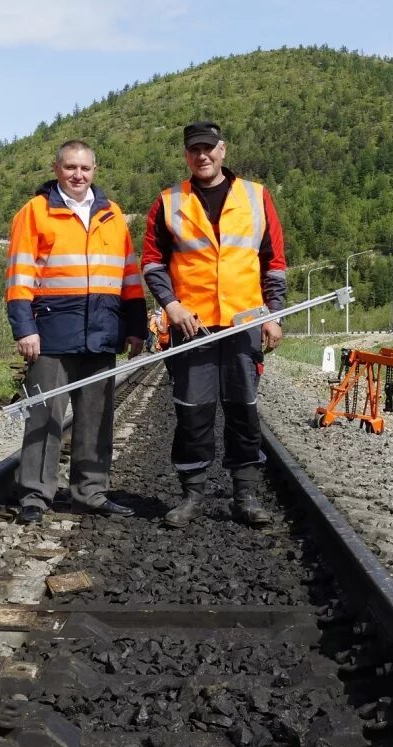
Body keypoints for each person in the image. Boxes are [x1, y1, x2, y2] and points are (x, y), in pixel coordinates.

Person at [141, 120, 287, 528]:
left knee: (243, 411)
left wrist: (273, 315)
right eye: (194, 150)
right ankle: (192, 495)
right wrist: (170, 306)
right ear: (186, 154)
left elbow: (273, 263)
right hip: (193, 328)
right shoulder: (169, 201)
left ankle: (246, 496)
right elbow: (152, 262)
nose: (202, 156)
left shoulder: (256, 197)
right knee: (193, 412)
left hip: (244, 323)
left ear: (223, 150)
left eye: (208, 148)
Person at [5, 139, 146, 525]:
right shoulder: (35, 212)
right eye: (70, 168)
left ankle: (91, 492)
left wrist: (135, 326)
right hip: (51, 331)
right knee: (44, 415)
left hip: (101, 330)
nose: (78, 175)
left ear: (94, 170)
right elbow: (19, 274)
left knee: (96, 416)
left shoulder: (112, 214)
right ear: (57, 169)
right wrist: (24, 328)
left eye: (85, 168)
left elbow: (128, 274)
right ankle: (35, 494)